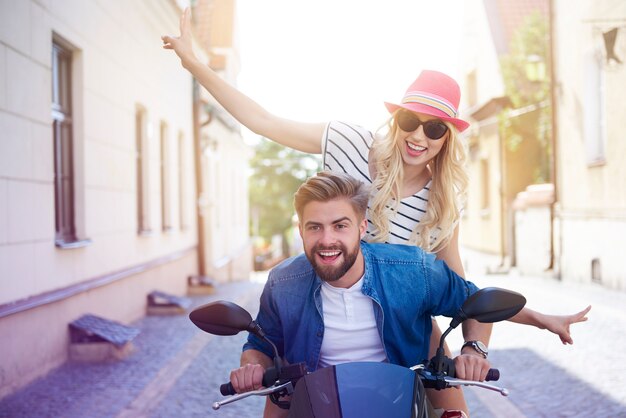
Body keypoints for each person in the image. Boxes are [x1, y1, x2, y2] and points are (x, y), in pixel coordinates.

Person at [162, 7, 590, 414]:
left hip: (401, 317)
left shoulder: (442, 203)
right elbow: (265, 123)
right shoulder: (352, 144)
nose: (419, 136)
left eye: (435, 127)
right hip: (320, 301)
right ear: (396, 120)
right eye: (410, 121)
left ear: (448, 138)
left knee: (454, 409)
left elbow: (463, 293)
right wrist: (195, 65)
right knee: (283, 396)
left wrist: (535, 320)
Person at [232, 171, 490, 418]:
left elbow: (477, 304)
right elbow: (260, 345)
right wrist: (252, 367)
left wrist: (474, 350)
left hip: (401, 404)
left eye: (340, 226)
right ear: (301, 231)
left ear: (362, 227)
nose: (327, 239)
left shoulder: (413, 270)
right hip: (318, 407)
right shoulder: (283, 282)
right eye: (315, 228)